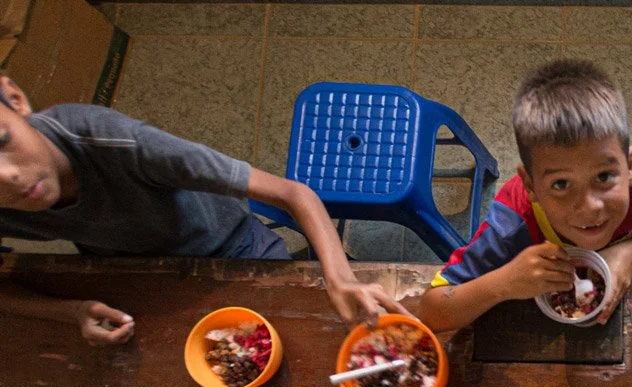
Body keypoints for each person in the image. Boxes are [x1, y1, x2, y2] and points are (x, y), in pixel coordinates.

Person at [0, 74, 408, 346]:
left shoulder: (116, 143)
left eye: (2, 141)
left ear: (15, 99)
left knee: (293, 336)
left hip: (233, 246)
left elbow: (293, 193)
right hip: (132, 274)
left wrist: (339, 279)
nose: (10, 179)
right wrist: (68, 311)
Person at [416, 60, 632, 331]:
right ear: (530, 185)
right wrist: (504, 283)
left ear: (629, 166)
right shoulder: (511, 226)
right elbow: (432, 309)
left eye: (603, 177)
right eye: (561, 184)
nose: (589, 207)